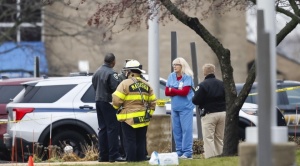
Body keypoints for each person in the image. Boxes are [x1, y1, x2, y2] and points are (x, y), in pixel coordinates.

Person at [112, 59, 156, 162]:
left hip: (129, 119)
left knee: (130, 141)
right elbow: (153, 102)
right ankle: (141, 160)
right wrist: (149, 114)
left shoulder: (124, 84)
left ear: (130, 72)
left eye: (126, 71)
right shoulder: (147, 85)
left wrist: (116, 107)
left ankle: (131, 161)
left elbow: (116, 101)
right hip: (143, 119)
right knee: (141, 140)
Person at [92, 53, 125, 162]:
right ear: (113, 62)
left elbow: (94, 86)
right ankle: (114, 155)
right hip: (108, 102)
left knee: (102, 128)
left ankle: (103, 156)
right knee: (112, 129)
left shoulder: (97, 72)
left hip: (98, 101)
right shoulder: (111, 73)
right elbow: (115, 89)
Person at [192, 63, 226, 159]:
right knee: (219, 138)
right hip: (222, 113)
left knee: (208, 138)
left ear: (204, 73)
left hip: (209, 114)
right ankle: (221, 157)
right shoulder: (222, 83)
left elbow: (195, 100)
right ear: (213, 71)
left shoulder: (202, 85)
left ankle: (210, 158)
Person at [165, 57, 194, 159]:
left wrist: (173, 89)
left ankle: (187, 152)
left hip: (186, 107)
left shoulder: (187, 77)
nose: (174, 66)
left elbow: (184, 92)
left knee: (186, 130)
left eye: (176, 64)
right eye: (173, 65)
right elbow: (166, 92)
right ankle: (179, 151)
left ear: (182, 66)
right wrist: (177, 89)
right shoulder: (171, 76)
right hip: (175, 107)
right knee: (177, 130)